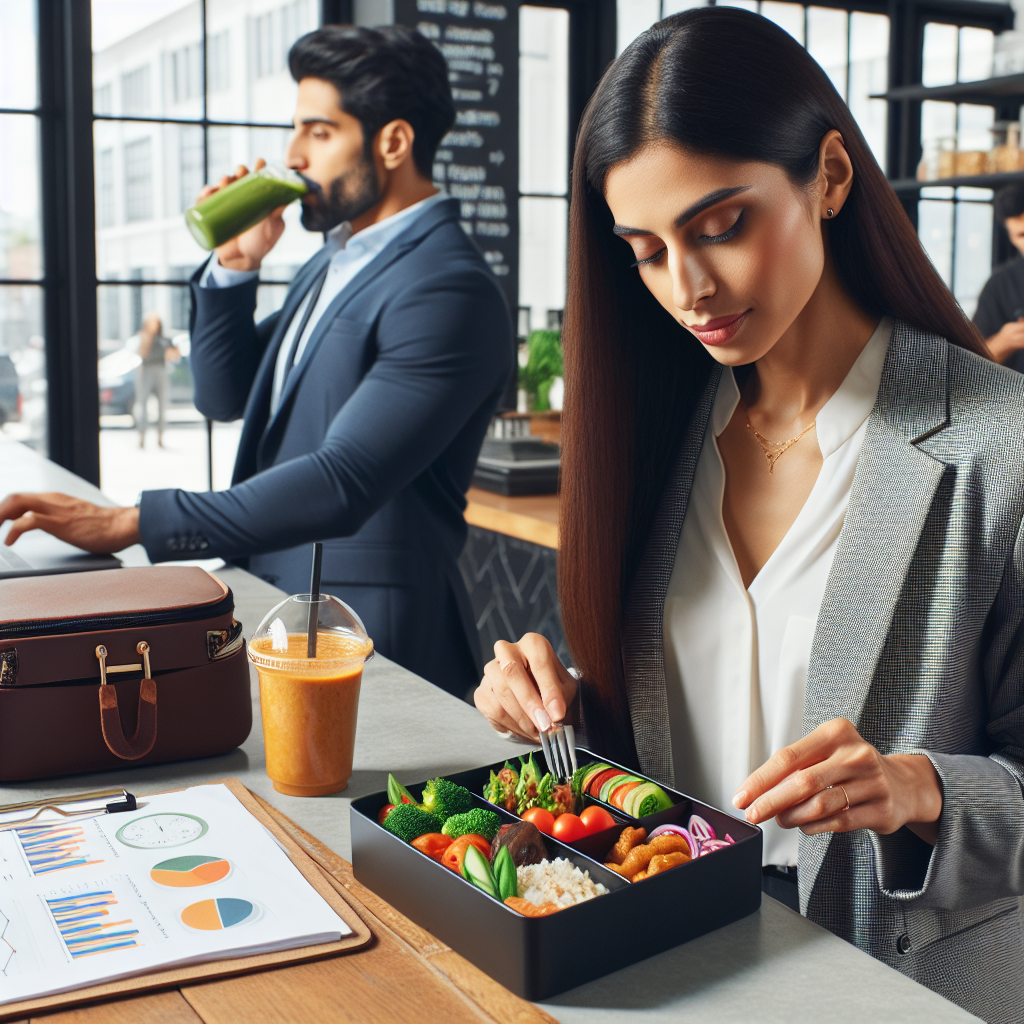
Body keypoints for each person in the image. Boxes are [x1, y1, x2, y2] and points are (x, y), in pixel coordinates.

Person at [473, 10, 1024, 1022]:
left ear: (828, 174)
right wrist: (555, 702)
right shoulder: (658, 431)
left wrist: (917, 790)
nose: (688, 288)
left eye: (720, 225)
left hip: (890, 985)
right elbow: (690, 712)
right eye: (644, 250)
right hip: (664, 960)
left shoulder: (999, 445)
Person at [0, 25, 512, 699]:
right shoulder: (336, 261)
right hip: (280, 606)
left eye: (319, 133)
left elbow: (343, 481)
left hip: (370, 631)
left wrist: (133, 522)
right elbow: (224, 395)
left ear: (392, 141)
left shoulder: (447, 286)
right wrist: (237, 266)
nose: (293, 155)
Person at [973, 182, 1024, 369]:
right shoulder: (1000, 284)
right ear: (1011, 237)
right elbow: (972, 364)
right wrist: (1005, 341)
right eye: (1022, 235)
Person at [130, 311, 179, 448]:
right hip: (146, 370)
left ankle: (160, 438)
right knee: (143, 404)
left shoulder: (165, 339)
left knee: (162, 405)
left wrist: (172, 351)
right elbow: (140, 353)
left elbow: (174, 356)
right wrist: (148, 337)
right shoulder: (143, 337)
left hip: (161, 369)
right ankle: (142, 437)